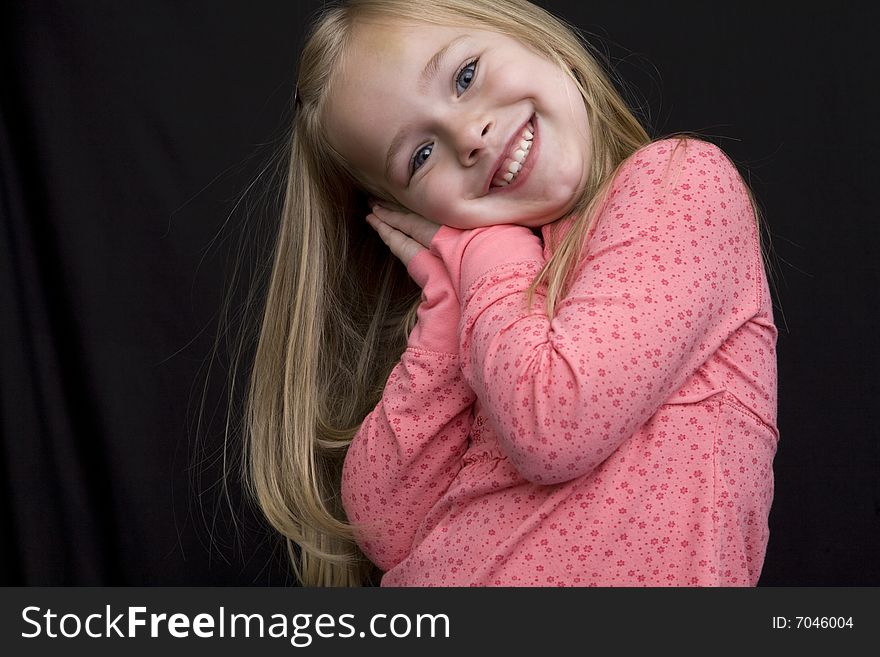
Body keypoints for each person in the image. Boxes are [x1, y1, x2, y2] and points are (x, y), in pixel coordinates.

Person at [243, 0, 778, 586]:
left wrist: (489, 257)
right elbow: (385, 526)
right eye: (420, 156)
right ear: (412, 212)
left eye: (465, 76)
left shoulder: (680, 185)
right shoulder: (491, 306)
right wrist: (446, 310)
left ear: (534, 37)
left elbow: (556, 425)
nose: (468, 135)